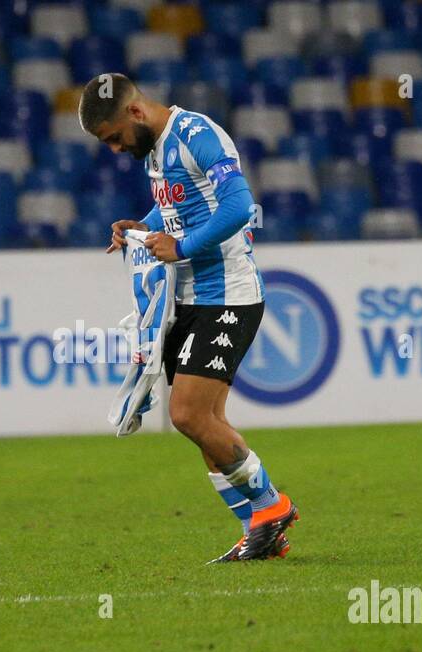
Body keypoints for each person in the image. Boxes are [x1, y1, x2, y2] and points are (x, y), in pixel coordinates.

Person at [78, 73, 299, 562]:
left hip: (229, 295)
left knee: (188, 415)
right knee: (206, 423)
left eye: (113, 138)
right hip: (190, 298)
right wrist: (146, 226)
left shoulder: (197, 135)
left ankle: (272, 505)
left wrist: (181, 247)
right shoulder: (154, 151)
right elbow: (178, 208)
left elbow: (240, 205)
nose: (115, 149)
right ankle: (258, 530)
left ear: (134, 113)